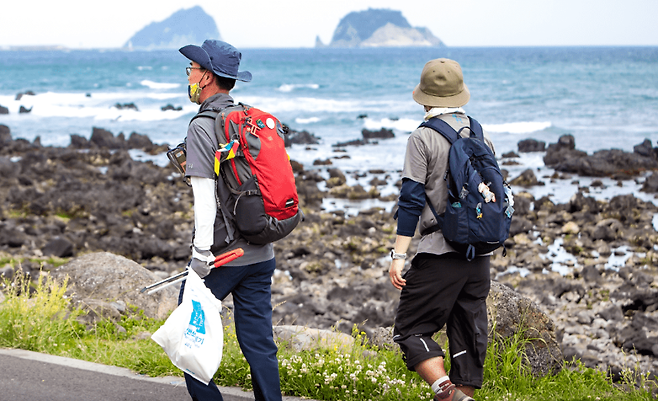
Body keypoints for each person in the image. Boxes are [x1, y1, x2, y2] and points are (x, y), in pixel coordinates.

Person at [177, 39, 282, 401]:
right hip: (261, 250)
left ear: (206, 77)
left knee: (187, 339)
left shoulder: (202, 126)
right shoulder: (247, 120)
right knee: (259, 344)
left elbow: (204, 198)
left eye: (191, 69)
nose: (188, 75)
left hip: (222, 256)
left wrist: (199, 257)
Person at [388, 58, 495, 401]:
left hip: (440, 252)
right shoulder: (481, 133)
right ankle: (462, 394)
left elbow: (410, 201)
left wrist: (398, 256)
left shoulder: (422, 138)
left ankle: (446, 391)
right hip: (481, 253)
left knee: (411, 329)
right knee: (467, 333)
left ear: (424, 98)